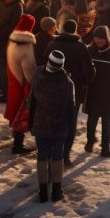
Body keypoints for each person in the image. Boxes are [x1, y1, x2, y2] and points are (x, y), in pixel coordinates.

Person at [43, 20, 95, 166]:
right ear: (75, 30)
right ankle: (64, 156)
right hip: (73, 92)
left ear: (62, 29)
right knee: (70, 124)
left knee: (53, 123)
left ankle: (52, 153)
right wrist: (83, 82)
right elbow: (89, 73)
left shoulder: (52, 45)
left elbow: (43, 66)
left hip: (52, 91)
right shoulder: (81, 47)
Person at [29, 50, 76, 203]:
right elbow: (70, 110)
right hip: (59, 128)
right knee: (57, 157)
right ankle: (56, 191)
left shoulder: (38, 74)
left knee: (41, 156)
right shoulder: (68, 83)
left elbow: (32, 100)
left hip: (40, 124)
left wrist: (31, 122)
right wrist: (70, 132)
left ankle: (42, 191)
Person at [83, 26, 110, 158]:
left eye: (101, 38)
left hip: (108, 93)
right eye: (96, 38)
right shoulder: (89, 51)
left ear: (106, 38)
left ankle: (105, 147)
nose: (98, 41)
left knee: (106, 121)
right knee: (91, 119)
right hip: (92, 92)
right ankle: (90, 142)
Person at [5, 15, 38, 155]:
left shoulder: (12, 41)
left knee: (15, 111)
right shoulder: (25, 46)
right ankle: (17, 145)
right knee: (21, 115)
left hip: (13, 81)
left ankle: (16, 138)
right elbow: (29, 72)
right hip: (22, 85)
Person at [0, 0, 24, 102]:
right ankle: (4, 91)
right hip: (2, 41)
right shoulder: (7, 6)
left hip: (7, 42)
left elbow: (13, 26)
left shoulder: (16, 7)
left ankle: (7, 94)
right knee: (2, 68)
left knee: (5, 69)